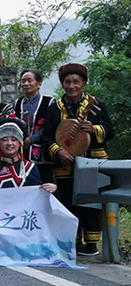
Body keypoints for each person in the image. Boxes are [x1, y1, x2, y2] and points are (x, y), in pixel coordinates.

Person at [42, 63, 115, 256]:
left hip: (92, 162)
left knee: (91, 202)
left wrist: (94, 129)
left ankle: (91, 243)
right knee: (68, 201)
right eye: (67, 82)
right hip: (65, 164)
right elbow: (47, 136)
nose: (72, 85)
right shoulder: (55, 108)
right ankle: (72, 241)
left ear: (83, 83)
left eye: (76, 82)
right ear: (63, 84)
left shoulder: (96, 105)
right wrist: (58, 151)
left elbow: (111, 131)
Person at [0, 118, 57, 193]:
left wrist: (52, 188)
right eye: (4, 139)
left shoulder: (29, 167)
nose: (9, 143)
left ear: (20, 143)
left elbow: (38, 193)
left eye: (14, 139)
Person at [14, 69, 55, 184]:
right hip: (22, 153)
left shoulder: (49, 102)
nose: (26, 84)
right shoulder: (17, 103)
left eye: (29, 80)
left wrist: (31, 140)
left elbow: (50, 127)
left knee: (43, 185)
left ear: (39, 83)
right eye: (23, 81)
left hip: (43, 155)